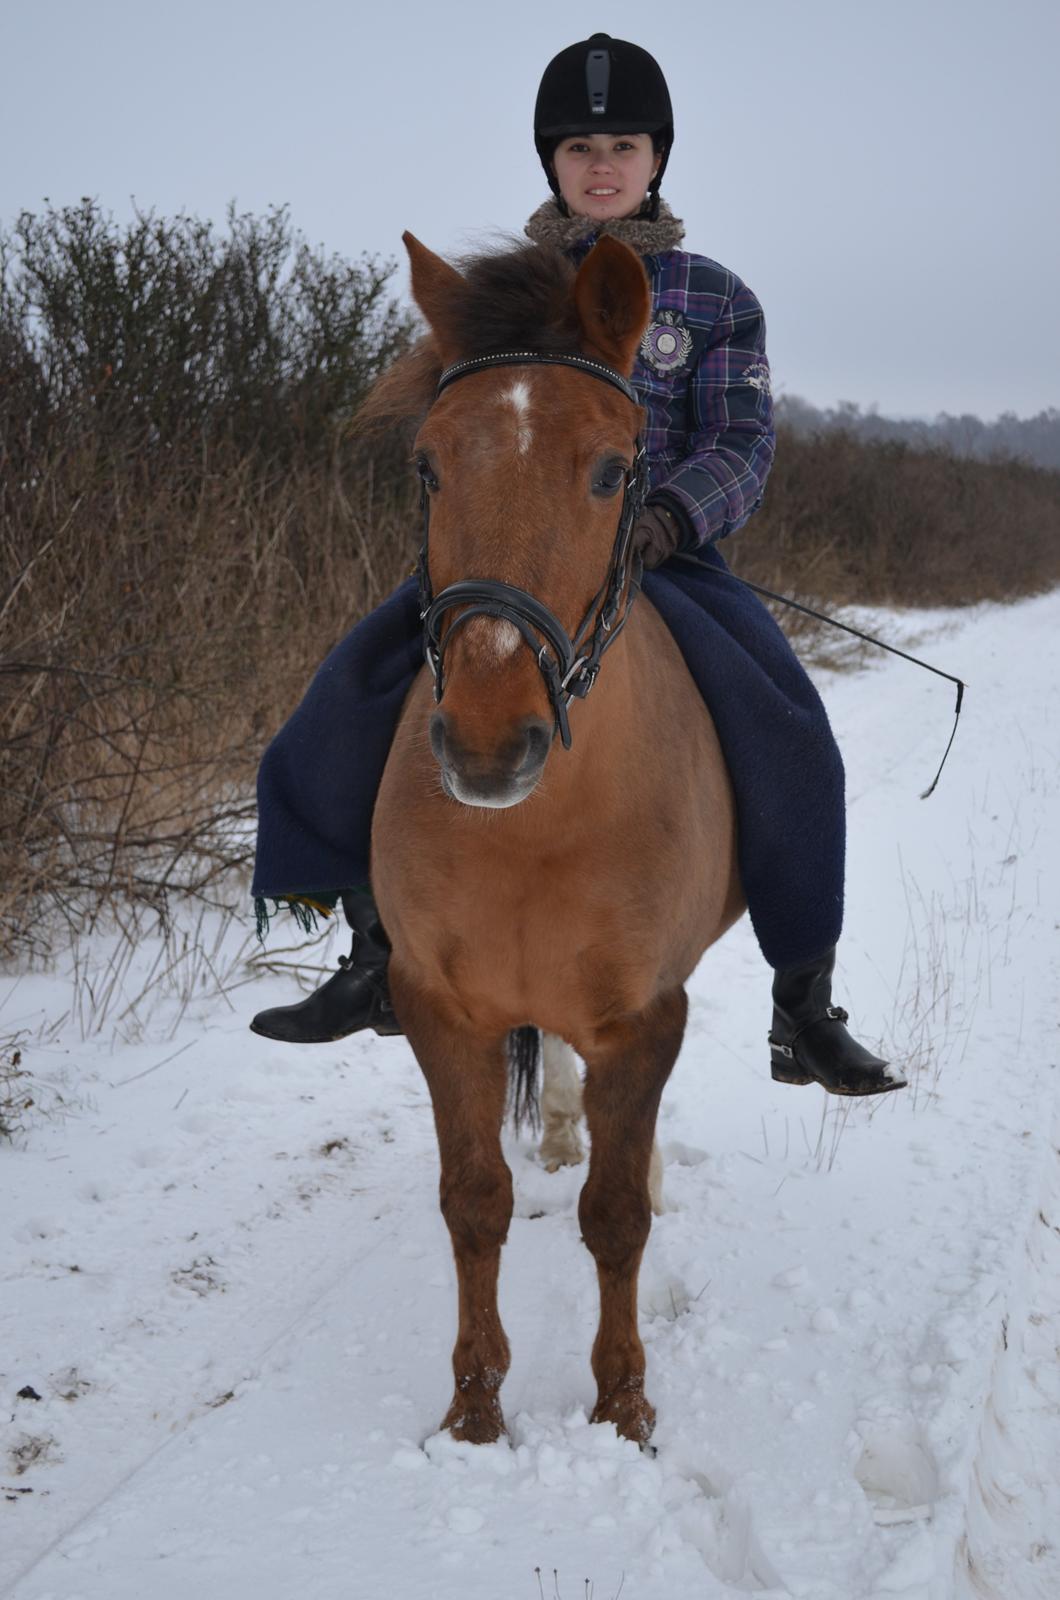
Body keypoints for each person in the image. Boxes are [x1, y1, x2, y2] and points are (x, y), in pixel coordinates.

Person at [249, 33, 905, 1099]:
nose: (602, 165)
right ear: (551, 162)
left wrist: (664, 522)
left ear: (657, 159)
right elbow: (461, 434)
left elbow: (740, 445)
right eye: (580, 146)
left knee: (788, 727)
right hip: (510, 565)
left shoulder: (713, 296)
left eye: (624, 145)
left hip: (663, 561)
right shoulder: (504, 290)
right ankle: (374, 951)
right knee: (350, 691)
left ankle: (804, 999)